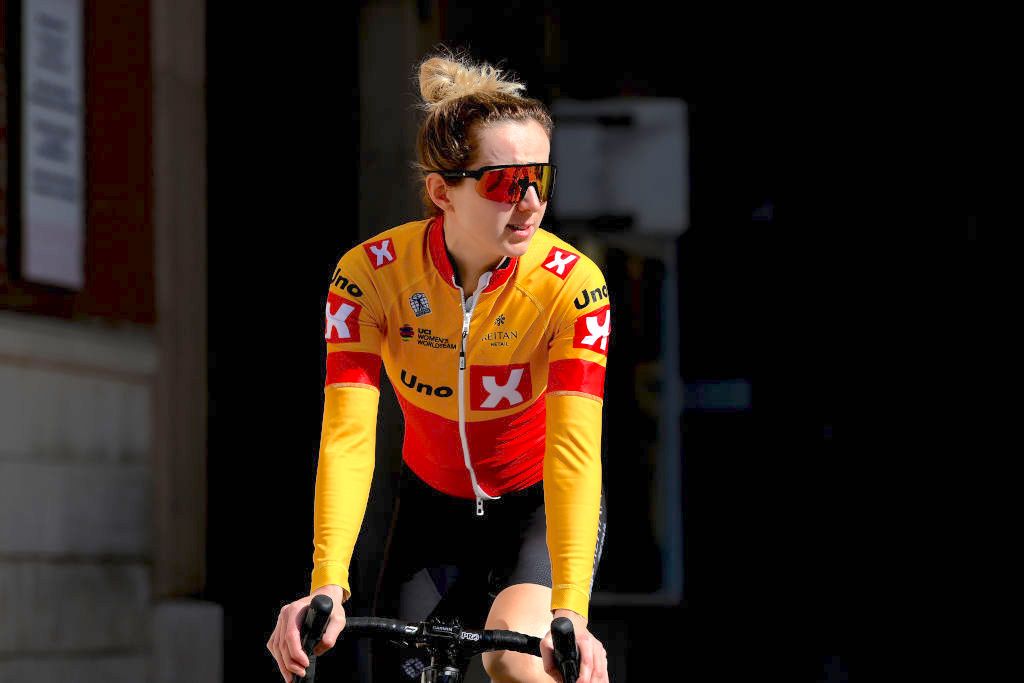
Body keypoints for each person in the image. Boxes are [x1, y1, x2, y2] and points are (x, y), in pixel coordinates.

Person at [267, 47, 612, 683]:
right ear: (440, 192)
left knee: (514, 659)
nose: (530, 200)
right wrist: (326, 584)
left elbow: (574, 450)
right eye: (507, 182)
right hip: (432, 514)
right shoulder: (369, 276)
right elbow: (348, 437)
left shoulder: (572, 284)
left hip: (535, 510)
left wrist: (572, 609)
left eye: (541, 178)